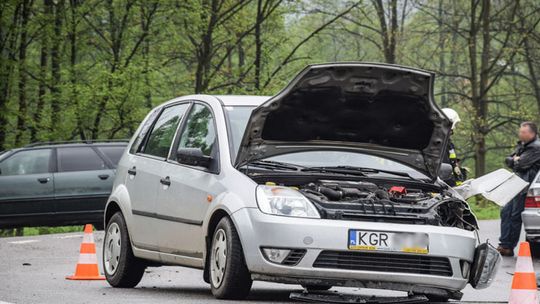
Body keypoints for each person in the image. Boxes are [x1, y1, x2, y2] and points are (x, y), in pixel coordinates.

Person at [498, 121, 540, 256]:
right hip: (517, 185)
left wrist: (516, 160)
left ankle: (508, 247)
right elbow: (508, 160)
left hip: (526, 187)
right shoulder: (523, 145)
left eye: (523, 132)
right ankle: (504, 244)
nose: (520, 134)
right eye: (520, 131)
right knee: (506, 211)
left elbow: (521, 165)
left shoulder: (536, 147)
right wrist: (514, 160)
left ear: (531, 133)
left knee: (515, 215)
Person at [441, 108, 467, 186]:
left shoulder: (447, 143)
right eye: (454, 125)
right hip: (446, 186)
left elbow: (451, 160)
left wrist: (456, 166)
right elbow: (444, 169)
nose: (454, 128)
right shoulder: (441, 145)